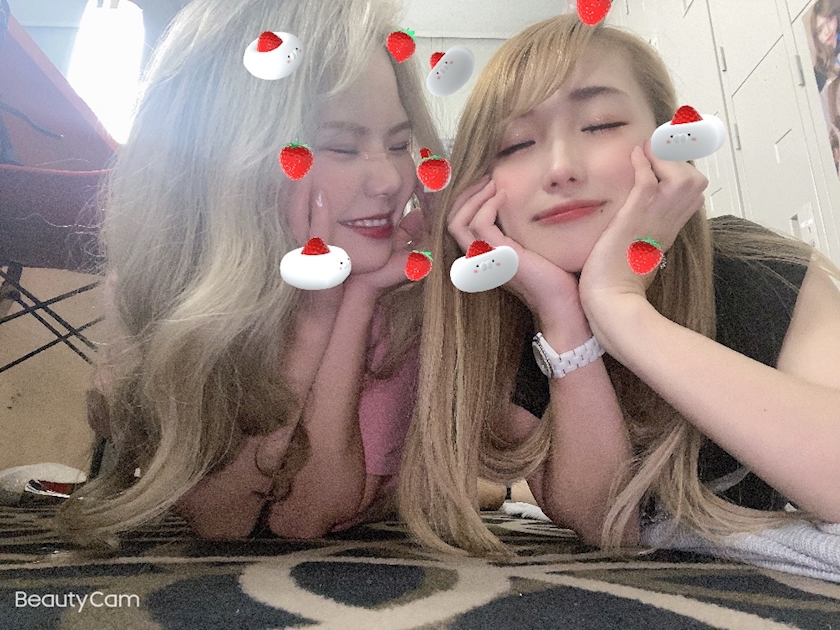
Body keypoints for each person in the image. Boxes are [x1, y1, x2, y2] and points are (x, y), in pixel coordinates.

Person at [399, 13, 840, 557]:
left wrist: (620, 306)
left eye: (600, 124)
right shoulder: (497, 320)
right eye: (515, 145)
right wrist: (563, 316)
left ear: (667, 142)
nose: (560, 168)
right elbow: (608, 523)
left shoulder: (765, 270)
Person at [56, 0, 443, 548]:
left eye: (400, 144)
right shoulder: (163, 294)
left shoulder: (402, 301)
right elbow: (222, 518)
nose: (389, 180)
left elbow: (305, 516)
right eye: (342, 146)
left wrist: (353, 301)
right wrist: (315, 317)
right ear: (234, 160)